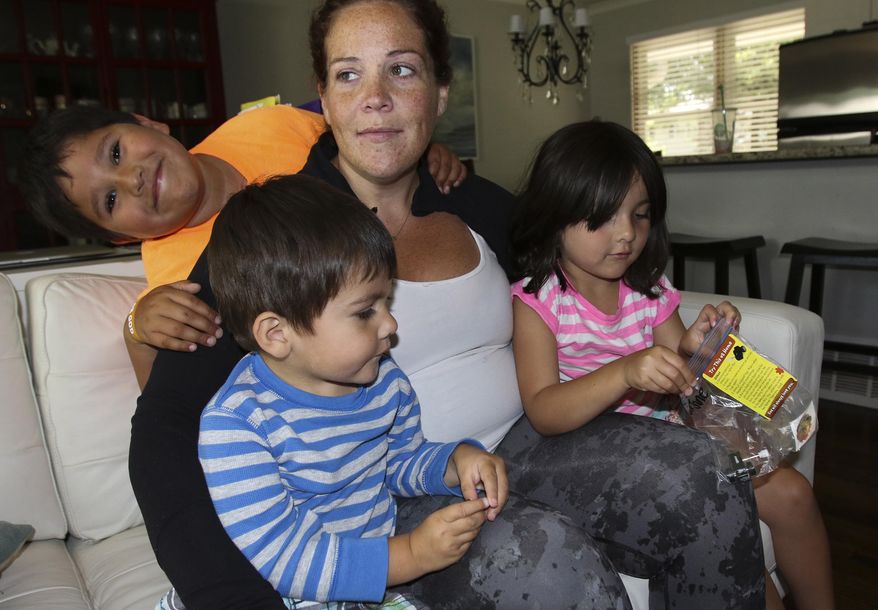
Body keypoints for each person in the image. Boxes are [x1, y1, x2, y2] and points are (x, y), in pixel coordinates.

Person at [129, 1, 767, 608]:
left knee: (707, 474)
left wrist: (695, 358)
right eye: (349, 74)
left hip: (528, 443)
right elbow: (167, 428)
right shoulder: (279, 239)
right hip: (389, 490)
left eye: (401, 69)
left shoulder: (479, 204)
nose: (375, 97)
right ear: (323, 98)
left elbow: (594, 290)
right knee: (542, 558)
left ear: (438, 92)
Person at [509, 120, 834, 610]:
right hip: (605, 454)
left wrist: (701, 343)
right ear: (555, 217)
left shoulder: (648, 288)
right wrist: (623, 372)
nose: (625, 236)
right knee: (739, 554)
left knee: (793, 495)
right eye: (602, 219)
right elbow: (543, 410)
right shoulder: (539, 300)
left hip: (681, 433)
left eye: (639, 216)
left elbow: (681, 366)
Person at [161, 173, 505, 608]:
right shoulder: (238, 426)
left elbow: (398, 462)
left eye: (387, 302)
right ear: (276, 333)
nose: (391, 325)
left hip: (366, 585)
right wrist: (411, 554)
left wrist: (455, 462)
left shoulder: (383, 378)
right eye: (365, 312)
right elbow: (287, 558)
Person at [17, 104, 467, 388]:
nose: (129, 178)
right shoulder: (181, 276)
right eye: (109, 200)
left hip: (445, 300)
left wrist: (422, 154)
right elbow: (176, 412)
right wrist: (138, 334)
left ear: (147, 122)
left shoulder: (267, 125)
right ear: (121, 238)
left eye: (115, 152)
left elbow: (370, 145)